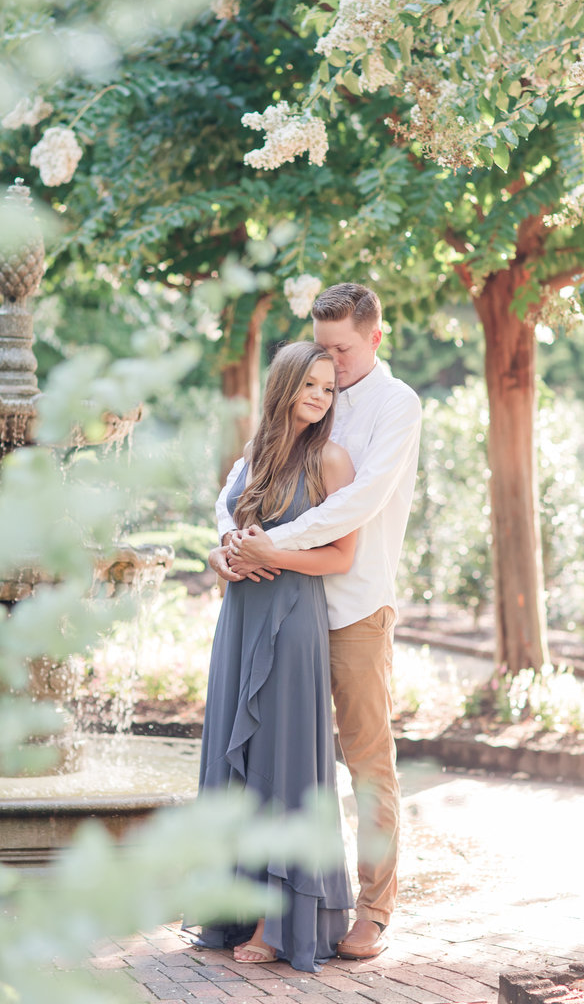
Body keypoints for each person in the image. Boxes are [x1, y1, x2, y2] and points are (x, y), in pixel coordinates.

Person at [213, 283, 422, 960]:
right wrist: (231, 544)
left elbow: (357, 503)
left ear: (375, 338)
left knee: (367, 762)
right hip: (285, 612)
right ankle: (275, 910)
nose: (330, 361)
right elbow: (242, 483)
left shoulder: (397, 405)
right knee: (284, 766)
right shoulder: (306, 398)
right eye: (320, 346)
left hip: (354, 606)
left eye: (343, 349)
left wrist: (272, 546)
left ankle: (374, 909)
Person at [191, 341, 357, 973]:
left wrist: (272, 555)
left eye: (328, 388)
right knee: (234, 758)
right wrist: (221, 556)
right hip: (239, 618)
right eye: (310, 384)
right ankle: (232, 903)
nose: (319, 396)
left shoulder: (331, 460)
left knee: (280, 760)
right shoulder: (252, 456)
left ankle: (274, 920)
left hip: (292, 621)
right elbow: (226, 531)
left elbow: (341, 556)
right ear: (284, 384)